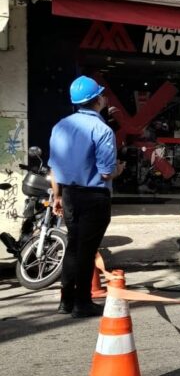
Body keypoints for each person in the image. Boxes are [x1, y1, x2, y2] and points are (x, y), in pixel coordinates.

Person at [49, 76, 122, 317]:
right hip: (94, 197)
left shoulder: (60, 126)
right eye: (101, 94)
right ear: (98, 99)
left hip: (69, 194)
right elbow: (106, 173)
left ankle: (66, 301)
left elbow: (54, 168)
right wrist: (119, 170)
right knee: (86, 250)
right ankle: (82, 302)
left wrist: (56, 196)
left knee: (73, 246)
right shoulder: (102, 129)